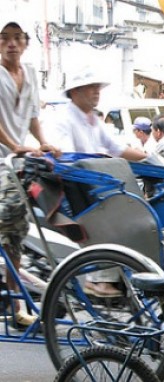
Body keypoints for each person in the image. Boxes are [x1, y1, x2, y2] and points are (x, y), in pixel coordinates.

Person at [47, 66, 147, 298]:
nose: (96, 92)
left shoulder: (93, 120)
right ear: (74, 92)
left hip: (95, 186)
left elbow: (117, 148)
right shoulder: (62, 119)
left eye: (97, 87)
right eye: (90, 87)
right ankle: (98, 279)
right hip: (76, 190)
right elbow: (68, 159)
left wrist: (151, 158)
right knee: (119, 213)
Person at [0, 21, 61, 328]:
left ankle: (16, 305)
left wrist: (42, 142)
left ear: (24, 43)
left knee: (16, 237)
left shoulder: (31, 74)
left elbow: (33, 116)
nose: (11, 44)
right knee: (9, 215)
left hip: (19, 163)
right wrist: (15, 146)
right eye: (5, 38)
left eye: (17, 38)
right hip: (4, 161)